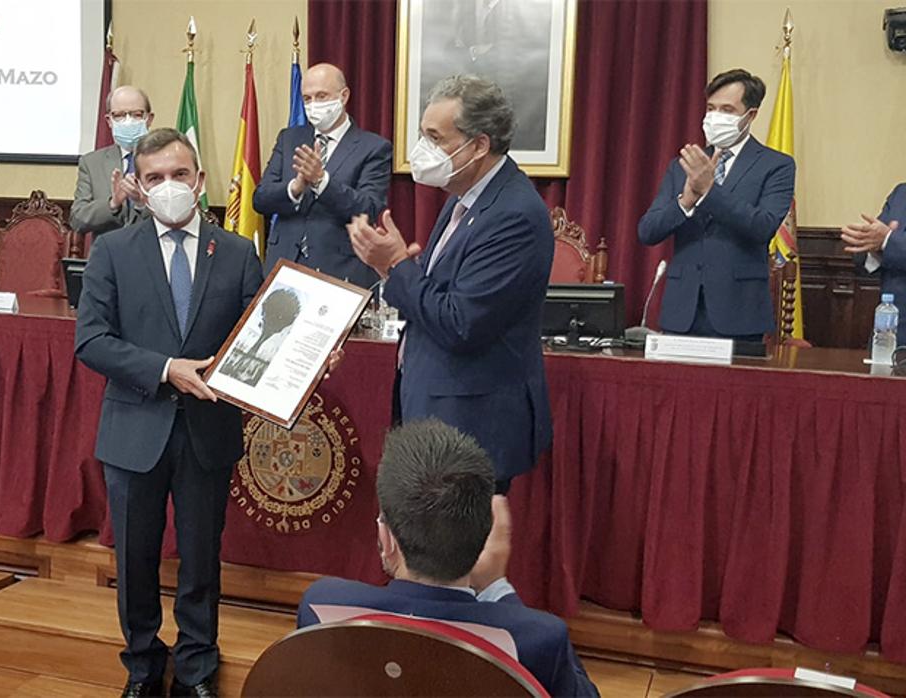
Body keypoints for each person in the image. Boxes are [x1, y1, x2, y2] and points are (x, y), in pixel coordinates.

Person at [75, 128, 264, 698]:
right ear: (139, 186)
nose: (169, 187)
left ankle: (198, 669)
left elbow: (259, 337)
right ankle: (142, 666)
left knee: (202, 559)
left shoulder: (235, 251)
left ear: (200, 181)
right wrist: (165, 369)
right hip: (135, 429)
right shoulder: (112, 250)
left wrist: (304, 359)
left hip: (207, 432)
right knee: (135, 561)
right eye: (154, 178)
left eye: (179, 175)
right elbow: (91, 341)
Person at [346, 74, 553, 493]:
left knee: (458, 558)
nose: (423, 151)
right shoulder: (463, 197)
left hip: (471, 424)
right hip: (435, 408)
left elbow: (461, 323)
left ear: (479, 144)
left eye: (436, 138)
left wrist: (395, 267)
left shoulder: (513, 214)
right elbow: (438, 294)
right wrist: (402, 269)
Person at [298, 420, 599, 697]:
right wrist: (496, 586)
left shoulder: (321, 605)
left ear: (386, 538)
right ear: (485, 535)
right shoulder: (537, 638)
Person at [637, 68, 796, 342]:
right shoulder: (684, 165)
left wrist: (709, 191)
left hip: (738, 313)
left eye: (727, 110)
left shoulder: (776, 165)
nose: (715, 117)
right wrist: (686, 200)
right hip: (681, 311)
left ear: (751, 115)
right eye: (711, 108)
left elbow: (763, 226)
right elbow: (647, 231)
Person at [254, 63, 392, 289]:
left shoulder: (374, 147)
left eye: (321, 96)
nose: (313, 105)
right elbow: (260, 199)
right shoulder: (289, 139)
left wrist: (321, 181)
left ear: (344, 96)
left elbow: (368, 208)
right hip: (284, 265)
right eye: (307, 99)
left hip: (340, 270)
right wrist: (295, 188)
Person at [70, 85, 155, 234]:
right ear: (109, 121)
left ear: (149, 119)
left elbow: (178, 213)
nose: (128, 121)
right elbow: (78, 220)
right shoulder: (91, 163)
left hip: (153, 251)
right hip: (107, 253)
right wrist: (113, 203)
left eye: (136, 114)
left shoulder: (167, 161)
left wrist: (142, 204)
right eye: (119, 115)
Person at [843, 184, 905, 347]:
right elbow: (877, 237)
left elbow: (887, 239)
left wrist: (888, 241)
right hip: (891, 335)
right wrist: (872, 247)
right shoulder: (901, 193)